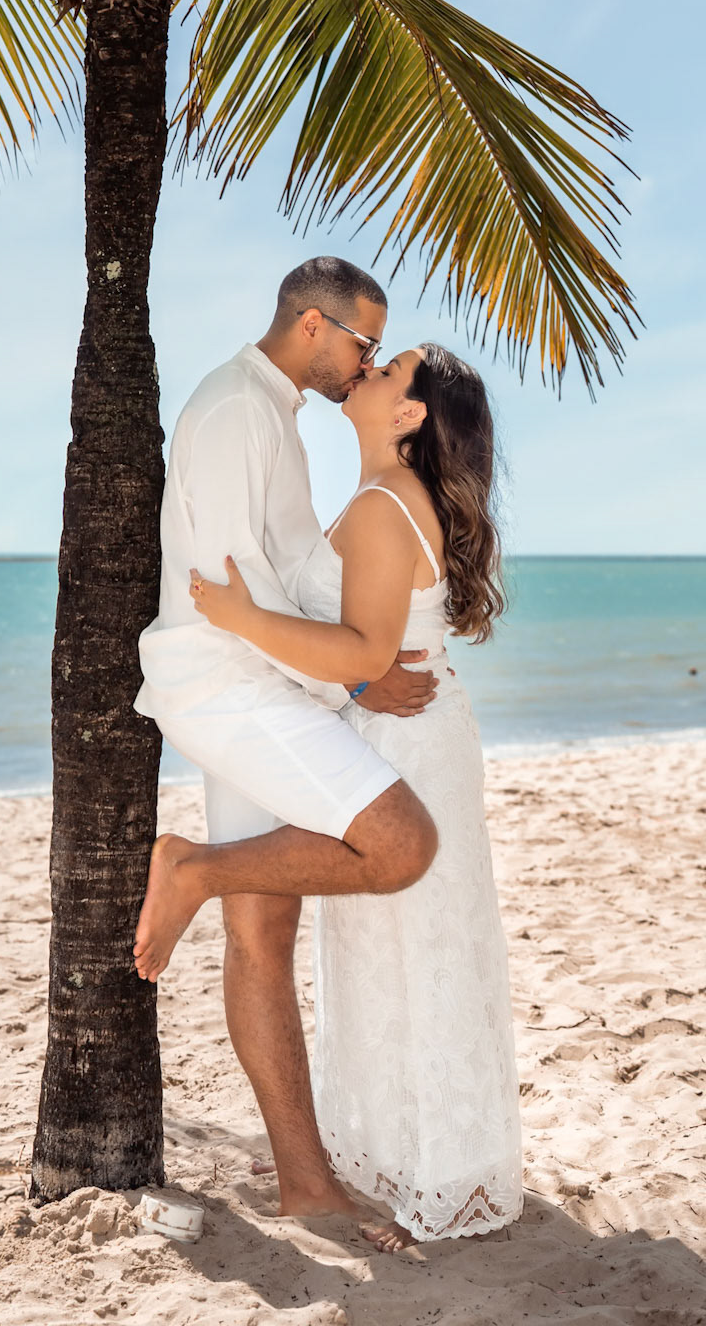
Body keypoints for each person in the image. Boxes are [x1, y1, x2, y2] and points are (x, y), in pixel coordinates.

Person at [190, 344, 522, 1252]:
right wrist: (361, 680)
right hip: (408, 732)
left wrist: (241, 620)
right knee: (404, 950)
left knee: (411, 954)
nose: (367, 372)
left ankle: (427, 1180)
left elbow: (367, 652)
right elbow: (372, 655)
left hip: (403, 746)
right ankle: (406, 1159)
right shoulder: (384, 501)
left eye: (391, 370)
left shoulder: (382, 507)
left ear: (409, 415)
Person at [134, 258, 440, 1221]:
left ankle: (307, 1187)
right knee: (399, 845)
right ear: (314, 326)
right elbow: (229, 595)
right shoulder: (235, 410)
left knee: (262, 936)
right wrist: (356, 672)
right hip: (229, 686)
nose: (367, 361)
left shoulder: (274, 414)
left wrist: (365, 650)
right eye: (364, 343)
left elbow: (293, 571)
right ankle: (189, 867)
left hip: (258, 683)